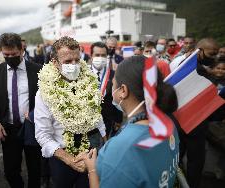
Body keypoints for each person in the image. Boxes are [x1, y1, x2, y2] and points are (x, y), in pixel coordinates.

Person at [76, 55, 179, 188]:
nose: (111, 89)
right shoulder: (168, 123)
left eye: (113, 84)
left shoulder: (119, 149)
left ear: (123, 91)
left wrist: (92, 169)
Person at [34, 36, 106, 188]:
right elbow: (42, 135)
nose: (74, 65)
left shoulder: (90, 83)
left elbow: (98, 119)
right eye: (67, 62)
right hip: (62, 157)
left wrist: (105, 148)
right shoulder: (43, 93)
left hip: (90, 153)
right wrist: (70, 160)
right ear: (55, 63)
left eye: (77, 60)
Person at [0, 33, 42, 188]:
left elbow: (46, 100)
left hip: (32, 128)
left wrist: (35, 115)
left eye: (14, 54)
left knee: (35, 170)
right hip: (9, 130)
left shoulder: (37, 70)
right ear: (1, 52)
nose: (10, 57)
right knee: (10, 172)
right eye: (6, 54)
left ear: (22, 50)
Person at [178, 38, 219, 188]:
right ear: (200, 50)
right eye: (211, 53)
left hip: (187, 121)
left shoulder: (189, 65)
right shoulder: (196, 69)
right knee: (195, 161)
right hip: (193, 122)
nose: (214, 56)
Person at [90, 42, 123, 137]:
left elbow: (118, 98)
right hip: (87, 123)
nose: (100, 58)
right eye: (97, 55)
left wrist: (118, 119)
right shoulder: (83, 74)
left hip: (108, 121)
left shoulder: (114, 75)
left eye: (103, 55)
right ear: (91, 56)